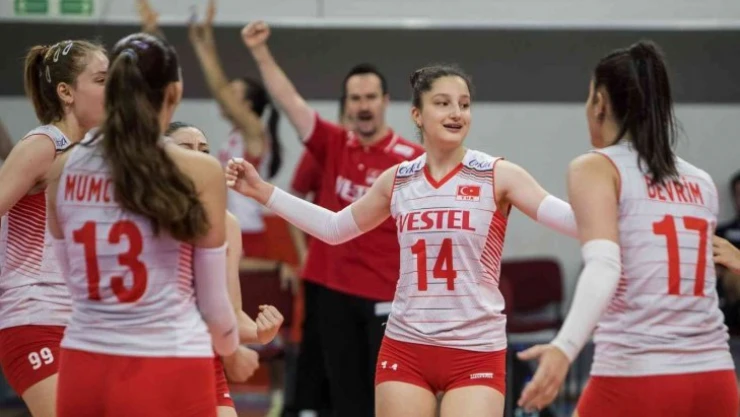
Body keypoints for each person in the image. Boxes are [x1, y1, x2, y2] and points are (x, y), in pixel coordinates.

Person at [226, 63, 578, 417]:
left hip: (475, 348)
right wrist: (263, 191)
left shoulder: (497, 174)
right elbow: (334, 228)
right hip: (406, 346)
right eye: (442, 103)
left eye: (464, 104)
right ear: (417, 114)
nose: (456, 113)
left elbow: (570, 219)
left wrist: (604, 192)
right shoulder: (398, 179)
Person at [517, 41, 738, 417]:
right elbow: (607, 226)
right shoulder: (700, 182)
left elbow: (604, 263)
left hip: (637, 376)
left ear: (600, 103)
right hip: (715, 379)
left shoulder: (596, 166)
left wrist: (564, 348)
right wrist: (517, 189)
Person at [45, 33, 239, 417]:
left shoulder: (62, 167)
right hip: (168, 363)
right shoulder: (197, 170)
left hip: (83, 365)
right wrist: (233, 349)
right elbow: (215, 305)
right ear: (174, 92)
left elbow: (71, 281)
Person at [242, 21, 428, 416]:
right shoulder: (333, 143)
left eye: (370, 97)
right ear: (347, 104)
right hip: (331, 289)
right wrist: (260, 52)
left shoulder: (412, 159)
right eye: (355, 98)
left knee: (388, 394)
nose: (363, 105)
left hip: (385, 293)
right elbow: (290, 102)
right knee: (342, 394)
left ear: (385, 101)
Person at [0, 39, 107, 417]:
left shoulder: (97, 156)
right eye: (102, 80)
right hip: (34, 317)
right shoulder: (44, 145)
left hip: (84, 322)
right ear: (66, 92)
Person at [165, 121, 286, 417]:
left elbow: (231, 312)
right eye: (186, 149)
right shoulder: (145, 217)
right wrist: (231, 348)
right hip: (153, 357)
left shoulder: (227, 223)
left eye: (204, 151)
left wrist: (260, 333)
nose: (198, 157)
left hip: (205, 361)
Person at [282, 96, 351, 417]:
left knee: (351, 351)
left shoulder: (386, 159)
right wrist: (304, 253)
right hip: (322, 270)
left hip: (363, 275)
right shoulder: (324, 150)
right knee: (316, 345)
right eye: (349, 115)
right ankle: (307, 408)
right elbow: (292, 199)